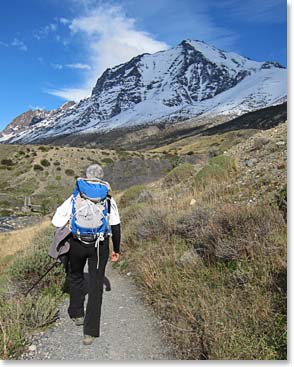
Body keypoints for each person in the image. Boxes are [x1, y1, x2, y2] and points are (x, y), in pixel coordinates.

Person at [51, 164, 121, 346]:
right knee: (96, 285)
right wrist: (117, 249)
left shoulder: (76, 195)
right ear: (101, 177)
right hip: (99, 244)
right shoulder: (107, 198)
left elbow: (56, 220)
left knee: (75, 276)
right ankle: (89, 333)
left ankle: (76, 313)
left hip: (77, 243)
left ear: (87, 176)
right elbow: (115, 225)